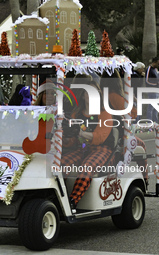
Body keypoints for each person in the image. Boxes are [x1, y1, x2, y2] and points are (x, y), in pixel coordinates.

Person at [61, 80, 115, 210]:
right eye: (88, 93)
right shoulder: (76, 114)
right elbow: (73, 140)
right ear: (83, 95)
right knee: (60, 164)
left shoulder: (104, 113)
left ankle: (72, 201)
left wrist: (79, 132)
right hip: (82, 148)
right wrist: (66, 139)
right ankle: (57, 197)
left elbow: (99, 137)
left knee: (87, 167)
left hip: (102, 149)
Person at [100, 70, 148, 183]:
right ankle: (145, 177)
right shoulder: (115, 96)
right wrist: (133, 101)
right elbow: (132, 114)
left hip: (103, 129)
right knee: (141, 145)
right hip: (118, 135)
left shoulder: (101, 93)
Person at [145, 57, 159, 123]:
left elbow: (155, 79)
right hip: (151, 90)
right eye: (158, 64)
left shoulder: (155, 70)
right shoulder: (149, 69)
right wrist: (157, 83)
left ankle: (155, 122)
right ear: (154, 62)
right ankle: (149, 122)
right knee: (151, 107)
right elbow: (147, 81)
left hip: (156, 90)